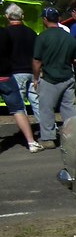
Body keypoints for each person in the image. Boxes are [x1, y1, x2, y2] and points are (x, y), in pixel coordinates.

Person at [31, 7, 76, 149]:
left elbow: (37, 60)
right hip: (67, 76)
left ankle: (48, 138)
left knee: (46, 109)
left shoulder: (43, 37)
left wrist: (35, 77)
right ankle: (73, 136)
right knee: (69, 109)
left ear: (45, 20)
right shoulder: (69, 37)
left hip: (50, 78)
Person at [0, 19, 41, 151]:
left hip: (13, 72)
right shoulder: (4, 33)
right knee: (18, 109)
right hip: (5, 74)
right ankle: (31, 142)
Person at [5, 3, 39, 120]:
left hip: (15, 72)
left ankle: (26, 130)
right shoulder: (32, 33)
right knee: (37, 102)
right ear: (22, 17)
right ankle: (48, 128)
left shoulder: (6, 33)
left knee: (20, 105)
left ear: (7, 16)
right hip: (33, 71)